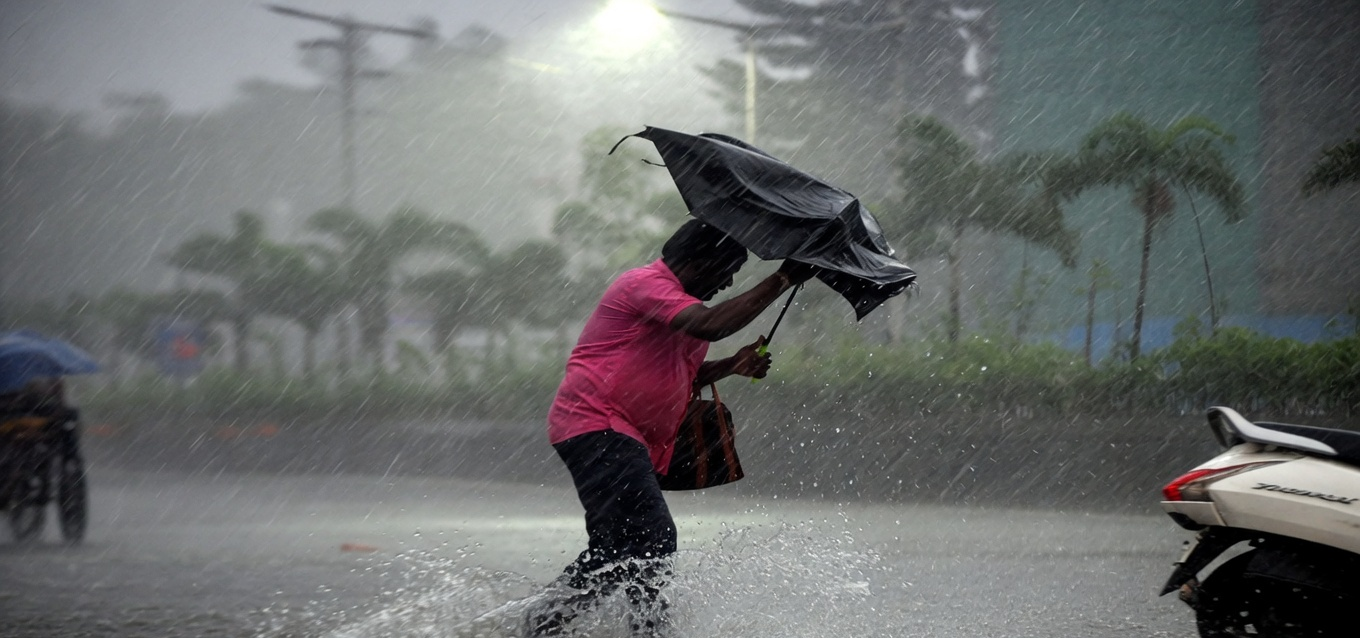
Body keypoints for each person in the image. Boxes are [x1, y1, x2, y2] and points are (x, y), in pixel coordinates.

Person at [527, 219, 817, 636]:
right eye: (727, 270)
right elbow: (712, 323)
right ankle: (620, 627)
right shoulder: (644, 285)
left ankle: (551, 622)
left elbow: (683, 375)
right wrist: (785, 277)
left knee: (622, 545)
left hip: (620, 434)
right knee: (652, 535)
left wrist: (732, 365)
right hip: (596, 422)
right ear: (696, 261)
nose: (728, 281)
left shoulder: (679, 305)